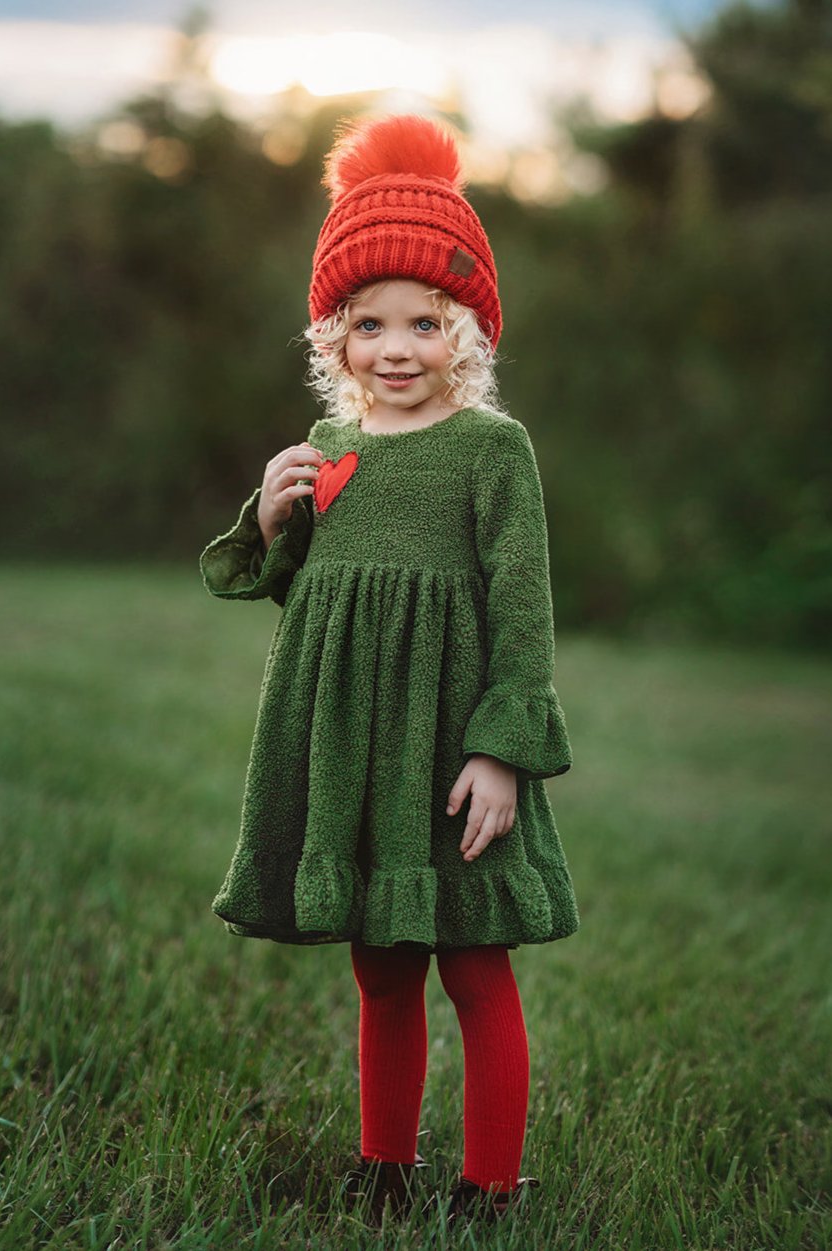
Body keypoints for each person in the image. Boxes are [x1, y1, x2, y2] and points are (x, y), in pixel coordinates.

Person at [199, 113, 579, 1227]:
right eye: (370, 325)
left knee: (472, 967)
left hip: (452, 751)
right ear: (335, 335)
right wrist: (272, 516)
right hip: (355, 748)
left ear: (469, 330)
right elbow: (290, 586)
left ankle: (492, 1186)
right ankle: (382, 1164)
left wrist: (502, 752)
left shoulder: (490, 450)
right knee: (381, 970)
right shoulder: (332, 441)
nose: (398, 348)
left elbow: (523, 610)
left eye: (427, 321)